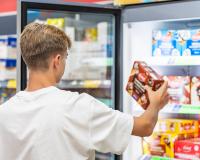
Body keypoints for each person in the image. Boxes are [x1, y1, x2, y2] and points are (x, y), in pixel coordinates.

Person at [0, 23, 169, 160]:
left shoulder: (5, 111)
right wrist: (155, 103)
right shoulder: (77, 107)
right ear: (57, 61)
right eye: (66, 57)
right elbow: (144, 127)